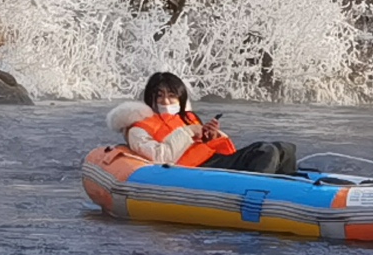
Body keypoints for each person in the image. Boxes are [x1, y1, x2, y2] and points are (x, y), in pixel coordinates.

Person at [113, 71, 301, 177]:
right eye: (159, 96)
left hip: (212, 162)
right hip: (191, 172)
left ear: (180, 98)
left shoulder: (187, 117)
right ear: (150, 98)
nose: (166, 101)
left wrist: (212, 136)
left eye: (171, 96)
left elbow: (206, 145)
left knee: (285, 148)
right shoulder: (138, 128)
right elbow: (159, 156)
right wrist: (188, 132)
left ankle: (294, 193)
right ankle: (260, 193)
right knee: (265, 150)